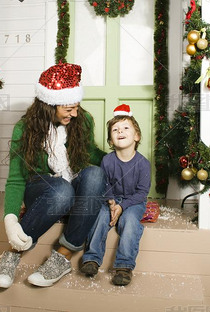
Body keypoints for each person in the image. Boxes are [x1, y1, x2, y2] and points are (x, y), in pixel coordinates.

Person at [0, 63, 106, 288]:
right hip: (44, 188)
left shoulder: (82, 120)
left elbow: (90, 153)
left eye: (76, 106)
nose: (74, 113)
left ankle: (62, 257)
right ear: (49, 105)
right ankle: (13, 254)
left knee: (95, 174)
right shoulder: (25, 129)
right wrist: (11, 219)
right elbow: (16, 179)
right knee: (62, 191)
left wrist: (121, 158)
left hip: (72, 181)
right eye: (68, 108)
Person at [80, 104, 151, 286]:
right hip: (110, 200)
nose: (120, 131)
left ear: (137, 136)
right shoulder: (107, 160)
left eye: (126, 128)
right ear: (111, 140)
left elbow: (142, 193)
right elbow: (104, 185)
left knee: (130, 222)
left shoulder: (143, 164)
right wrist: (111, 202)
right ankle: (91, 258)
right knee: (100, 216)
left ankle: (124, 266)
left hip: (133, 202)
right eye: (115, 129)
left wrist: (122, 206)